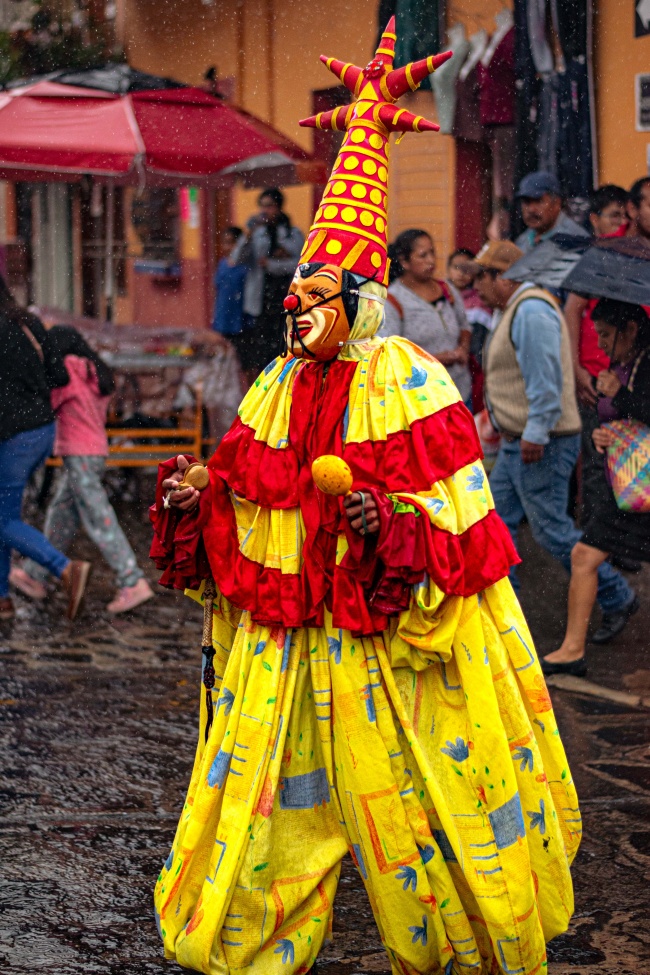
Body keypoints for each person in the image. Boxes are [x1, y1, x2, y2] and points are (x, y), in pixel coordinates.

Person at [150, 20, 580, 975]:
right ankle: (259, 941)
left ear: (360, 299)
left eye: (315, 295)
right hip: (289, 640)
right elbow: (242, 488)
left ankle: (449, 944)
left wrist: (389, 522)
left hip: (394, 645)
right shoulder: (274, 386)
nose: (297, 308)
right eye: (296, 292)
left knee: (423, 812)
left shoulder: (414, 382)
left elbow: (463, 519)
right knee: (277, 808)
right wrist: (197, 496)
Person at [476, 240, 637, 642]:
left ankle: (618, 596)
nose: (475, 287)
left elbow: (545, 383)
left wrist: (535, 433)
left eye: (480, 277)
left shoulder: (530, 311)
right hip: (521, 441)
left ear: (501, 276)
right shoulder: (514, 309)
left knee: (551, 530)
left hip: (540, 441)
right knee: (498, 523)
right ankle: (502, 608)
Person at [11, 327, 154, 614]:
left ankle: (132, 580)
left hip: (79, 454)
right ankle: (35, 574)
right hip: (95, 451)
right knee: (60, 513)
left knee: (100, 519)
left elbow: (48, 404)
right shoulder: (94, 370)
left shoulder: (68, 371)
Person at [542, 300, 650, 675]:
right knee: (584, 557)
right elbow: (628, 424)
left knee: (584, 557)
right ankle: (572, 650)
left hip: (641, 489)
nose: (599, 343)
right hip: (627, 488)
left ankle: (573, 649)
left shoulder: (645, 363)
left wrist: (619, 394)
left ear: (630, 330)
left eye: (605, 334)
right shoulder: (623, 363)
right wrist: (605, 436)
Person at [0, 285, 90, 621]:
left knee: (3, 519)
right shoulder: (27, 322)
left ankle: (65, 568)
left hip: (12, 438)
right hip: (41, 430)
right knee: (5, 515)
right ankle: (2, 600)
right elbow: (59, 375)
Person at [565, 186, 629, 529]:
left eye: (624, 215)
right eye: (614, 215)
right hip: (594, 376)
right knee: (595, 461)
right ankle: (594, 536)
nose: (621, 222)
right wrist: (576, 370)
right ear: (595, 220)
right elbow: (572, 311)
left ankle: (621, 538)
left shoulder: (631, 256)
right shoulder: (594, 258)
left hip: (626, 380)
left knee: (629, 459)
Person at [383, 230, 472, 404]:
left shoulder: (446, 289)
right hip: (424, 398)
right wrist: (440, 359)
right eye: (423, 255)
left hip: (459, 390)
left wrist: (462, 349)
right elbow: (392, 354)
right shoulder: (393, 300)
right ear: (404, 262)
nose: (431, 260)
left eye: (432, 252)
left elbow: (464, 326)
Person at [229, 188, 304, 383]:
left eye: (269, 206)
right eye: (262, 206)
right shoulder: (256, 234)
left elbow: (299, 264)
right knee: (261, 349)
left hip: (284, 297)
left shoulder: (292, 233)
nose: (265, 211)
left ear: (278, 207)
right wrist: (248, 234)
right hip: (260, 300)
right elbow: (236, 259)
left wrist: (272, 265)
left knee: (282, 346)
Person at [447, 247, 493, 410]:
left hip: (473, 370)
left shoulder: (483, 300)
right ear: (448, 269)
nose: (461, 273)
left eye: (466, 269)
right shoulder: (440, 298)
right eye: (456, 267)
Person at [514, 170, 589, 254]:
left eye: (539, 201)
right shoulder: (523, 240)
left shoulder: (575, 239)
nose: (531, 209)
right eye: (526, 202)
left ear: (557, 203)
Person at [211, 226, 252, 377]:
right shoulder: (222, 264)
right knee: (225, 362)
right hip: (224, 320)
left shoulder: (246, 268)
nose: (228, 247)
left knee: (245, 363)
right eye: (225, 243)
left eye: (232, 243)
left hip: (241, 321)